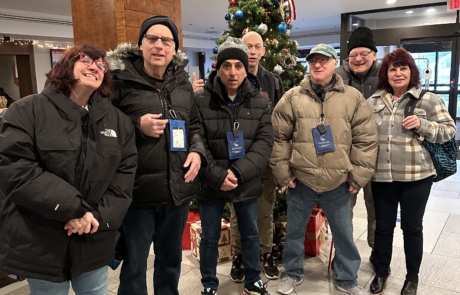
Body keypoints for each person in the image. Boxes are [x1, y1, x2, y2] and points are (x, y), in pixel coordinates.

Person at [0, 43, 138, 295]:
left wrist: (96, 217)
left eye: (101, 65)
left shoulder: (119, 122)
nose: (94, 67)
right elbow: (16, 170)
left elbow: (124, 178)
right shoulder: (26, 110)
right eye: (86, 60)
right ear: (65, 65)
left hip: (93, 236)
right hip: (41, 240)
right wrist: (74, 210)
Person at [106, 15, 206, 295]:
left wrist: (197, 151)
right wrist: (136, 125)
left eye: (166, 40)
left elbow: (195, 125)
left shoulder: (182, 83)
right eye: (152, 39)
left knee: (171, 262)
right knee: (135, 264)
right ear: (141, 45)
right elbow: (103, 128)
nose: (159, 45)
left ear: (174, 49)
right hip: (137, 192)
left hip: (177, 191)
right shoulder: (119, 82)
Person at [270, 43, 378, 295]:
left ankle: (347, 278)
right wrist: (284, 175)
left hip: (339, 182)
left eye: (323, 60)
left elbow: (366, 139)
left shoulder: (352, 98)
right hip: (301, 180)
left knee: (344, 234)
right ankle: (293, 273)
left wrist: (358, 176)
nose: (317, 65)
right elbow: (278, 138)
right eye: (313, 61)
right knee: (294, 232)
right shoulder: (292, 97)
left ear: (334, 64)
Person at [368, 48, 456, 295]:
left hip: (416, 177)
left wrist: (424, 124)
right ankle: (381, 272)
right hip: (382, 175)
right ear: (385, 73)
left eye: (403, 68)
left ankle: (412, 277)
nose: (397, 73)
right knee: (383, 227)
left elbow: (450, 130)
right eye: (392, 69)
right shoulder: (374, 101)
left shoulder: (428, 100)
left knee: (412, 227)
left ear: (411, 71)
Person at [194, 37, 273, 295]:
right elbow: (197, 140)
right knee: (209, 237)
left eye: (238, 66)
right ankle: (208, 284)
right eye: (226, 65)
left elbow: (264, 143)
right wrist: (217, 175)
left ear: (244, 68)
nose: (232, 72)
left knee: (250, 235)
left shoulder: (259, 102)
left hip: (246, 180)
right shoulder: (200, 100)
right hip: (211, 182)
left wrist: (238, 172)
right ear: (218, 68)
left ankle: (253, 281)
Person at [334, 26, 379, 262]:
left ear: (374, 54)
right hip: (343, 157)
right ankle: (343, 255)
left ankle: (378, 254)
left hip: (377, 157)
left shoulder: (387, 76)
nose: (358, 59)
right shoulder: (337, 77)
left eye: (364, 53)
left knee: (377, 210)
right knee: (342, 211)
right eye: (353, 55)